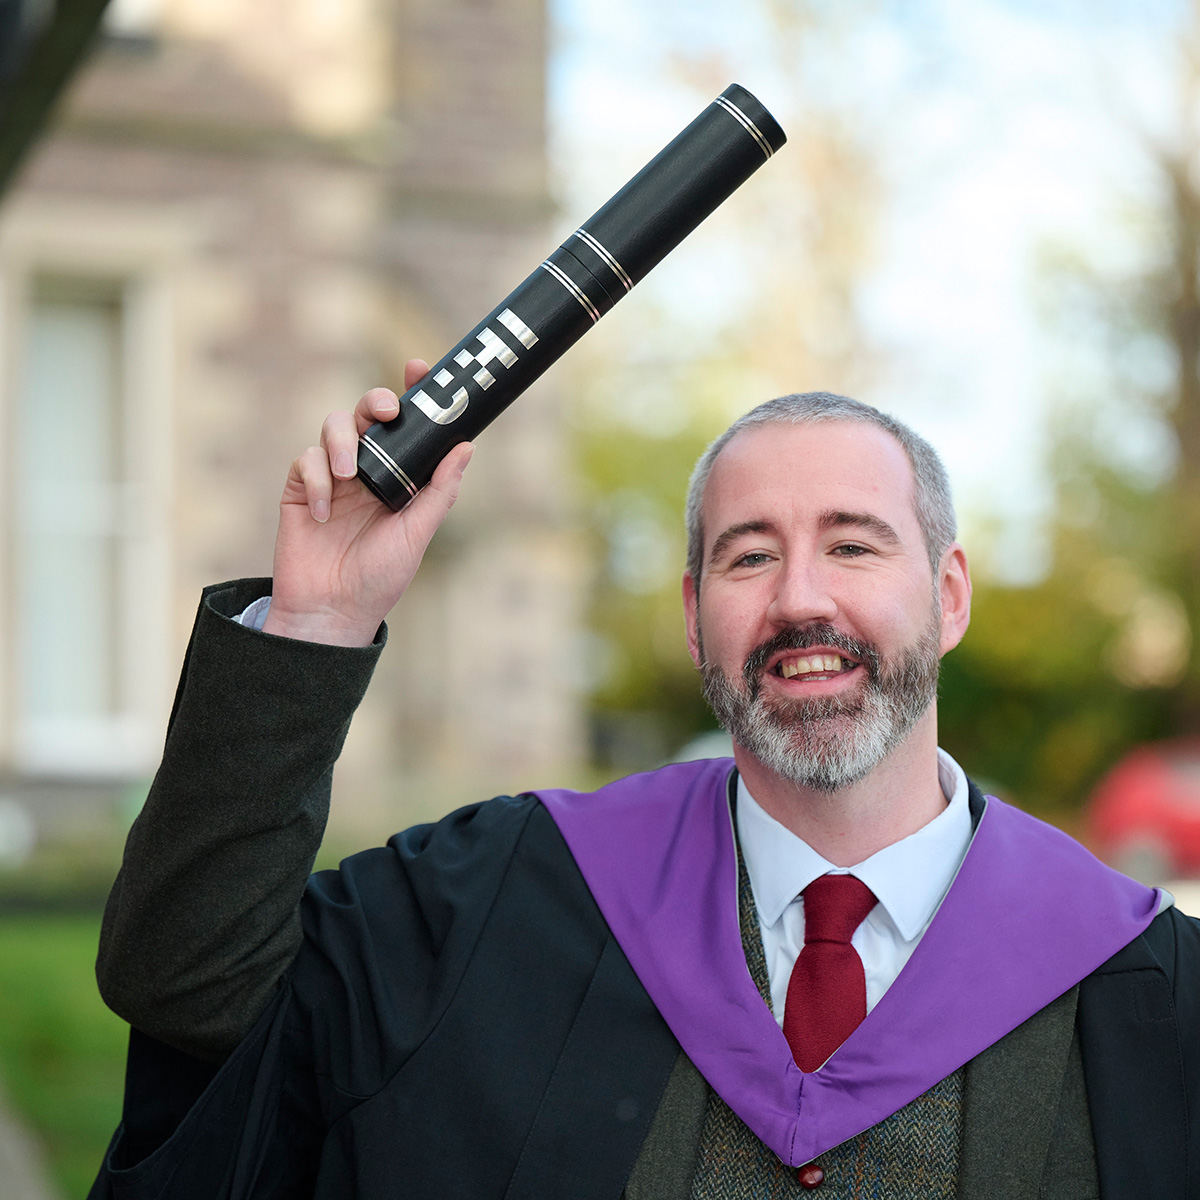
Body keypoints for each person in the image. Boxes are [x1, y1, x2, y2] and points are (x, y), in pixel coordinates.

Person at [89, 362, 1199, 1200]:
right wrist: (316, 620)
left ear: (949, 596)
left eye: (854, 546)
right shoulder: (502, 901)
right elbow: (191, 981)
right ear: (693, 616)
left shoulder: (1149, 989)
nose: (800, 600)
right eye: (749, 556)